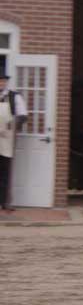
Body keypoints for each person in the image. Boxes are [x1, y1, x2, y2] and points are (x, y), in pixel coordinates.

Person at [0, 73, 27, 211]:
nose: (1, 84)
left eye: (3, 81)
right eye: (0, 81)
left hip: (6, 138)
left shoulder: (14, 96)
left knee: (5, 170)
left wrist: (12, 125)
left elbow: (22, 116)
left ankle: (5, 202)